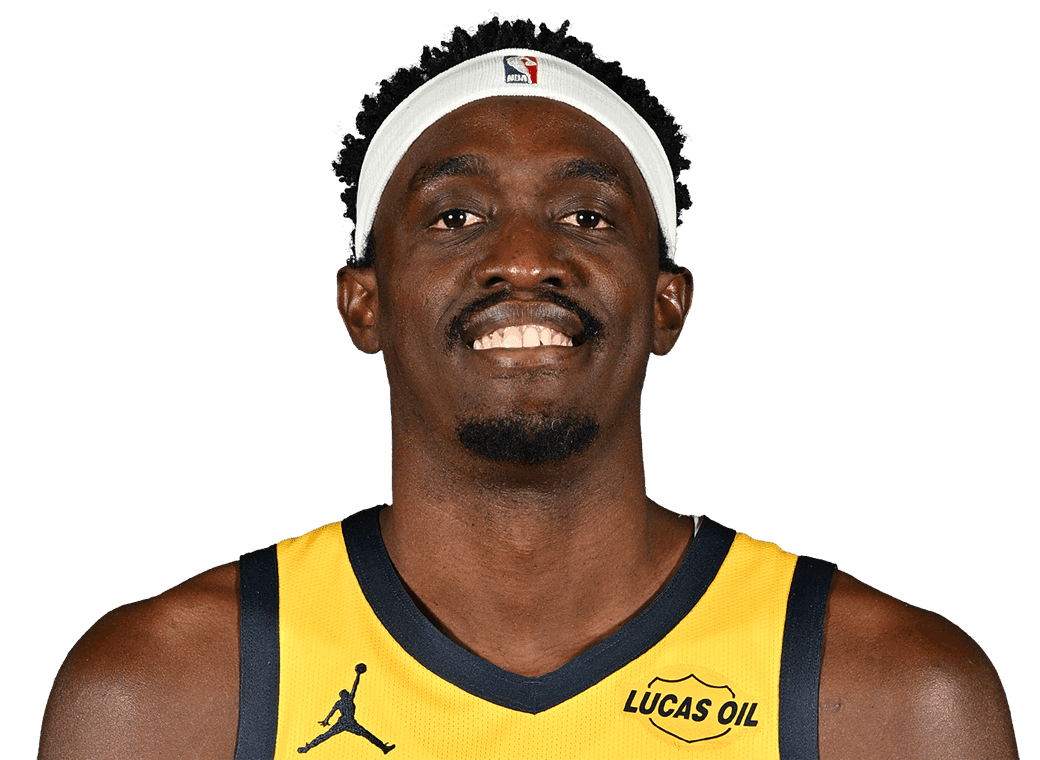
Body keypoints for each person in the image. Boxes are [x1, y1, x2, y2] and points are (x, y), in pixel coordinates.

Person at [38, 16, 1018, 760]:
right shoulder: (169, 693)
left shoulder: (890, 695)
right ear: (364, 303)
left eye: (587, 217)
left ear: (667, 304)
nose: (522, 257)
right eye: (454, 216)